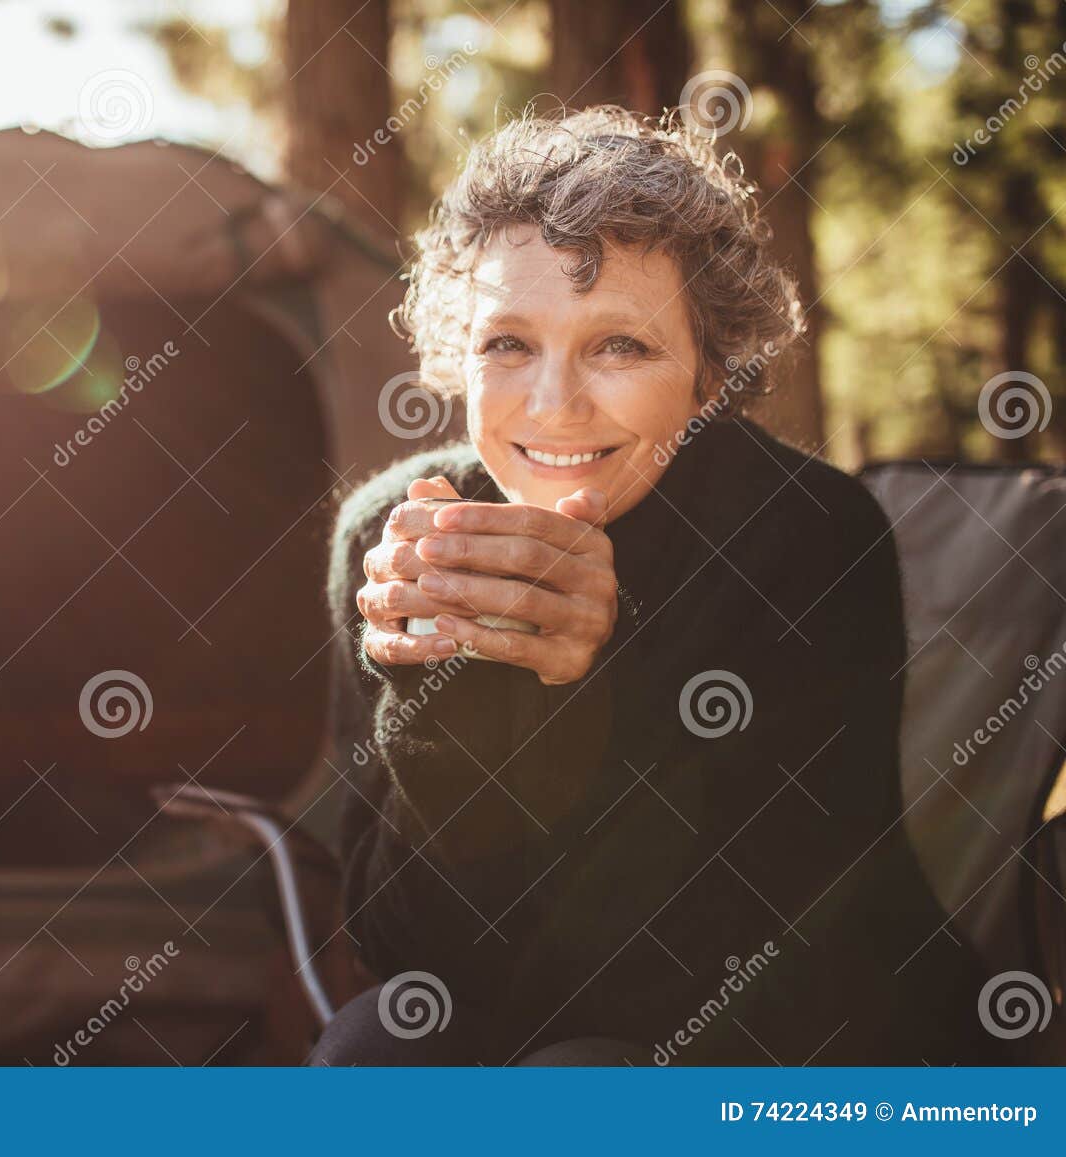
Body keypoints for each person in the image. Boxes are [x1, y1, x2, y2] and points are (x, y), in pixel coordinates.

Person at [314, 106, 995, 1066]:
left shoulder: (807, 535)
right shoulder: (394, 539)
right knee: (371, 1046)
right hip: (510, 1014)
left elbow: (763, 951)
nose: (553, 405)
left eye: (620, 346)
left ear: (710, 372)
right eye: (507, 342)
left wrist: (591, 666)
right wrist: (448, 686)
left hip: (802, 1032)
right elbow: (404, 951)